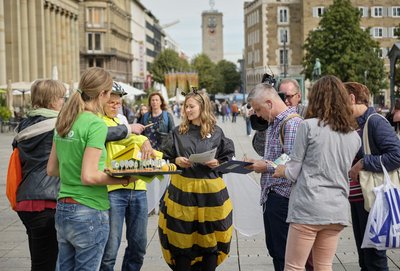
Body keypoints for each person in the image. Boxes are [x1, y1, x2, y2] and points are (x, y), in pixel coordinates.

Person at [47, 67, 136, 271]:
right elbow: (89, 176)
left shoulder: (64, 120)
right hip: (88, 209)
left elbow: (52, 169)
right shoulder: (95, 124)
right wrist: (123, 179)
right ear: (103, 94)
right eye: (108, 95)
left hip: (63, 208)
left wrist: (78, 170)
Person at [273, 75, 361, 270]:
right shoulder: (354, 136)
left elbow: (293, 171)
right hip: (336, 208)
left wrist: (280, 170)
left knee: (294, 266)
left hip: (308, 207)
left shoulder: (308, 126)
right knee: (324, 265)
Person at [158, 90, 235, 271]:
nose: (187, 110)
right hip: (182, 193)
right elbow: (163, 157)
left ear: (203, 107)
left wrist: (217, 162)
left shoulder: (217, 132)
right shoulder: (177, 132)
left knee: (210, 239)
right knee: (181, 238)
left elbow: (228, 158)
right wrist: (175, 161)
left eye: (191, 106)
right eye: (186, 106)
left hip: (211, 195)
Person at [245, 83, 302, 271]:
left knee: (284, 254)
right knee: (276, 251)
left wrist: (266, 166)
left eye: (259, 109)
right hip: (272, 195)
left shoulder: (292, 123)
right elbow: (279, 155)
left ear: (269, 103)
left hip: (283, 196)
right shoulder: (274, 122)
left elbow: (292, 159)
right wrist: (260, 161)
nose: (258, 115)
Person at [345, 82, 400, 271]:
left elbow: (397, 155)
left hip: (374, 199)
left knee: (375, 259)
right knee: (365, 258)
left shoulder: (374, 121)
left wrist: (364, 162)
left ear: (352, 99)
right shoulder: (356, 125)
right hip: (360, 199)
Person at [100, 83, 155, 271]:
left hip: (137, 188)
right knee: (110, 249)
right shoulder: (97, 122)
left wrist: (144, 140)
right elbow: (119, 135)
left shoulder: (122, 120)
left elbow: (131, 137)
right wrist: (131, 131)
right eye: (112, 102)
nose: (116, 106)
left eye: (118, 103)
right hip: (112, 190)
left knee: (139, 247)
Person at [13, 79, 66, 271]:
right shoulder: (58, 125)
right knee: (47, 262)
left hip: (25, 200)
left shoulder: (23, 125)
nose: (63, 101)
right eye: (61, 97)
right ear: (51, 100)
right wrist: (127, 129)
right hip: (46, 200)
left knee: (40, 258)